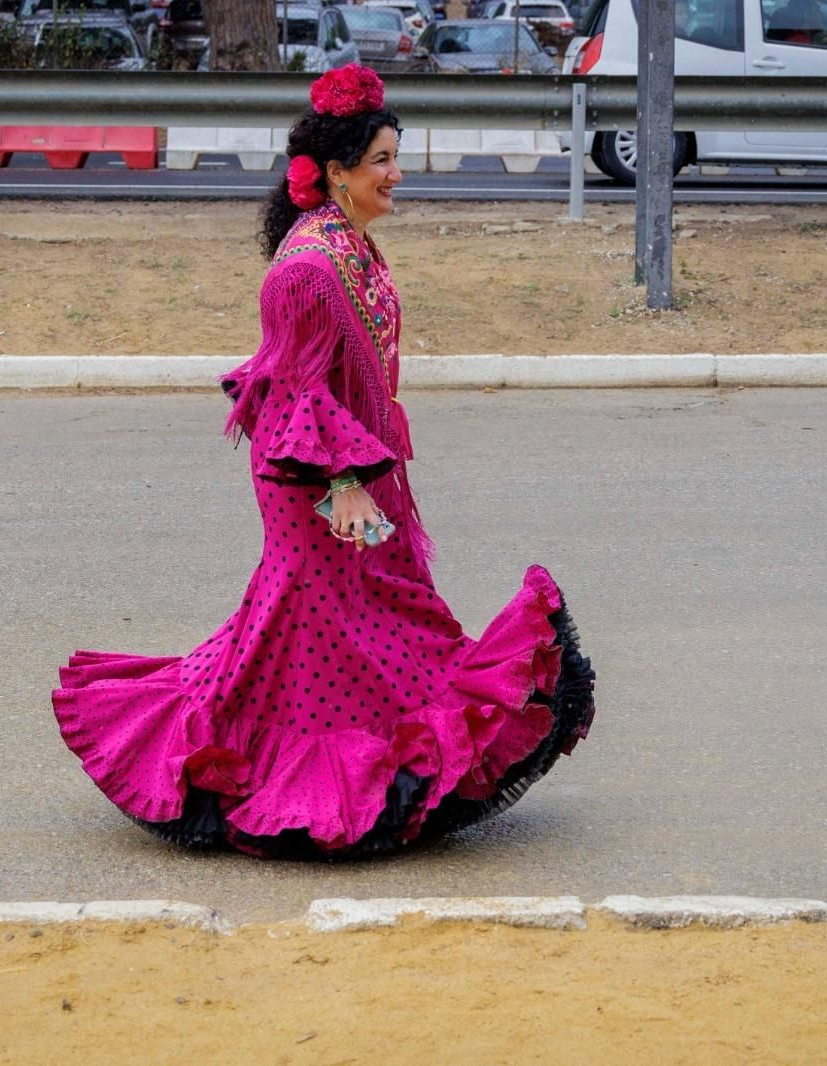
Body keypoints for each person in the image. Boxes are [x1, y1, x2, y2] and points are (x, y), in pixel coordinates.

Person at [51, 64, 597, 860]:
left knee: (347, 625)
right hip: (314, 480)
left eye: (394, 156)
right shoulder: (308, 269)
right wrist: (341, 486)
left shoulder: (351, 243)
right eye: (381, 160)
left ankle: (359, 773)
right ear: (337, 172)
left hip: (352, 469)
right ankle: (286, 779)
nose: (396, 174)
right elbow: (294, 392)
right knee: (343, 626)